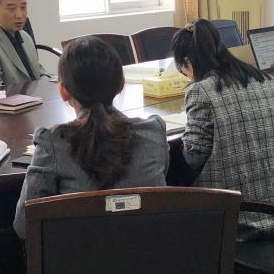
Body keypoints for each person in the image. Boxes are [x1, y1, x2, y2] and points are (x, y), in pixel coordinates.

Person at [13, 36, 167, 240]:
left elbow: (25, 226)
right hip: (152, 255)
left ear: (63, 91)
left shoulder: (53, 143)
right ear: (121, 84)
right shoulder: (154, 132)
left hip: (78, 259)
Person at [170, 19, 274, 241]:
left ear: (187, 61)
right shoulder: (267, 80)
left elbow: (192, 158)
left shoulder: (201, 91)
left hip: (238, 219)